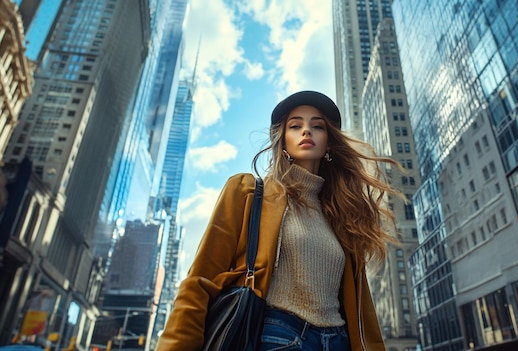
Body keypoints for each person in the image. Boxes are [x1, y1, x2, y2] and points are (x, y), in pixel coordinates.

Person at [156, 90, 404, 351]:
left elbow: (363, 313)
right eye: (295, 126)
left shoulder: (342, 215)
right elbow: (200, 280)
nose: (306, 131)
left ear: (329, 143)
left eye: (317, 126)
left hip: (339, 341)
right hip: (279, 336)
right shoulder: (247, 192)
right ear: (283, 140)